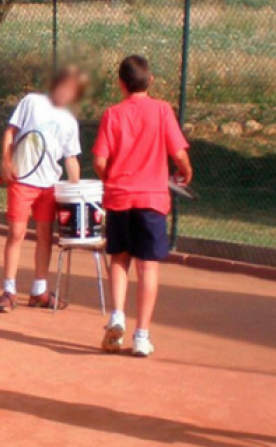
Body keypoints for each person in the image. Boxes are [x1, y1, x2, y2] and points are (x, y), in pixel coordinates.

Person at [93, 55, 191, 358]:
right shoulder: (162, 111)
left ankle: (117, 316)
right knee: (148, 267)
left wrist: (112, 180)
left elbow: (99, 161)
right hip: (152, 200)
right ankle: (141, 336)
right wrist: (186, 171)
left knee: (120, 260)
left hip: (119, 198)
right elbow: (178, 153)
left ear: (120, 84)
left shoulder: (112, 114)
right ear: (149, 81)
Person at [0, 65, 88, 313]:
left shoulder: (69, 121)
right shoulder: (32, 102)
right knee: (16, 233)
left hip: (49, 187)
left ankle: (39, 291)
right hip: (22, 181)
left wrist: (75, 193)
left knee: (45, 236)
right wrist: (5, 163)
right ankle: (9, 290)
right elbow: (10, 132)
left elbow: (70, 159)